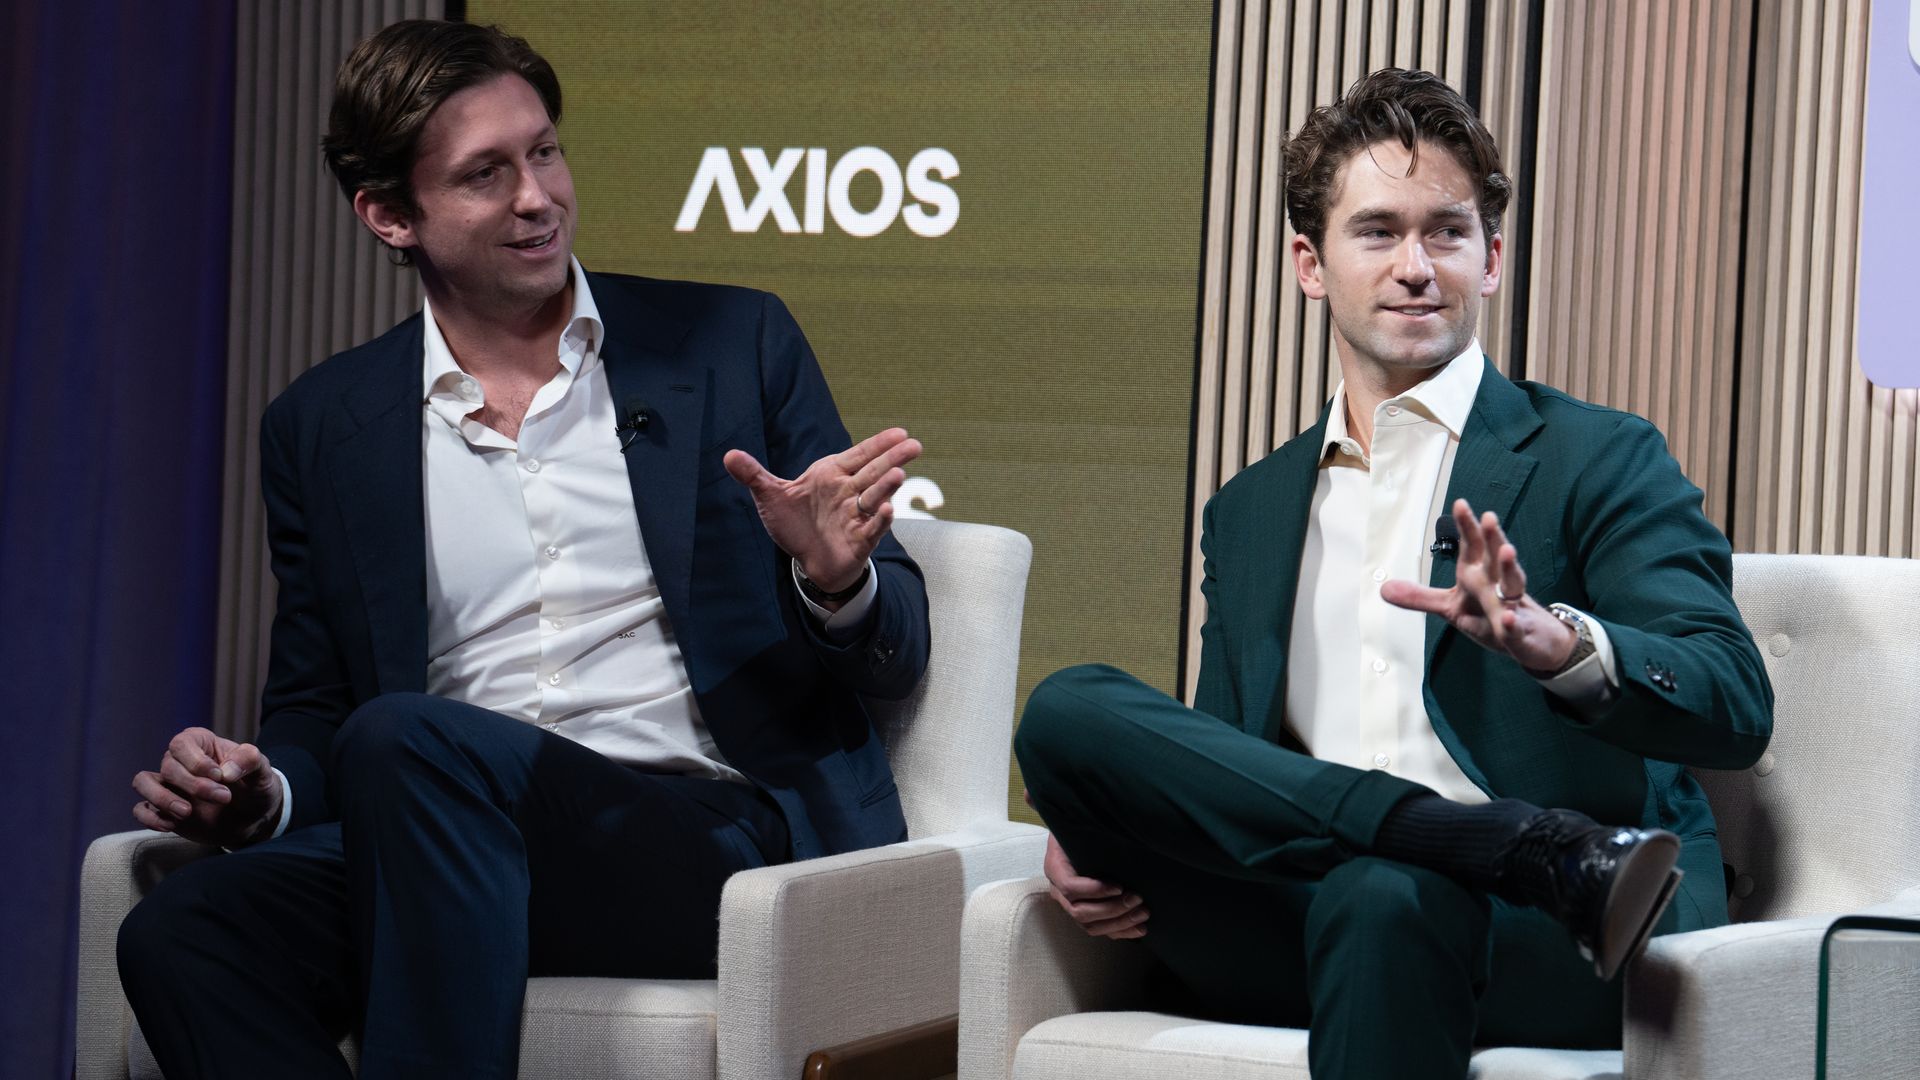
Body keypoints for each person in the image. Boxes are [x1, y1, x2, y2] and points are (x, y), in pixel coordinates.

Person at [115, 20, 929, 1079]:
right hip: (438, 846)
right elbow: (315, 709)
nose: (537, 197)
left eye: (543, 151)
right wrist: (260, 793)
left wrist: (835, 576)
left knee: (407, 740)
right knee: (185, 929)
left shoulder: (733, 344)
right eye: (485, 175)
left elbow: (898, 645)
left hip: (694, 840)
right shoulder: (323, 428)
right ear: (390, 215)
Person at [1015, 68, 1772, 1079]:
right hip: (1294, 915)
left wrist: (1566, 648)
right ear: (1310, 263)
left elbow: (1731, 699)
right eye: (1377, 232)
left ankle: (1500, 857)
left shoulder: (1598, 455)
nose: (1417, 266)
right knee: (1068, 711)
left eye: (1447, 232)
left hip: (1544, 931)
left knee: (1388, 895)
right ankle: (1488, 840)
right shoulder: (1247, 510)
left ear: (1492, 257)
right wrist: (1113, 832)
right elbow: (1235, 768)